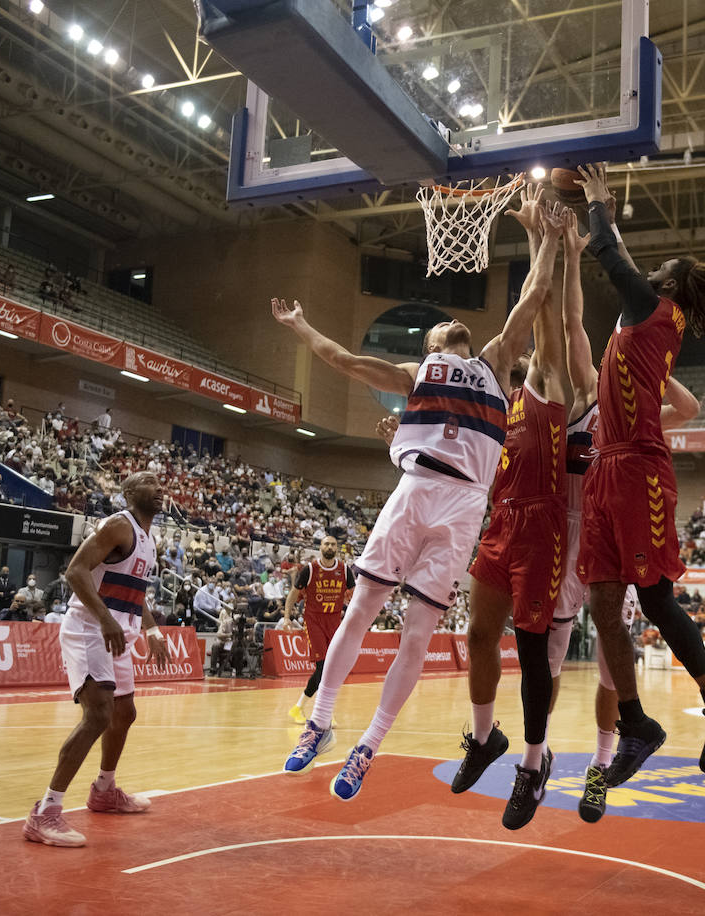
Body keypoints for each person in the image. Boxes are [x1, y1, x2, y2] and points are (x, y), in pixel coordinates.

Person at [275, 194, 559, 802]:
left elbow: (535, 295)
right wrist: (300, 326)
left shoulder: (495, 360)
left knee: (416, 633)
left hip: (465, 505)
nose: (452, 324)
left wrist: (547, 235)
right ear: (429, 344)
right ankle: (319, 723)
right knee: (361, 607)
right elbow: (343, 360)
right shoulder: (415, 373)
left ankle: (368, 746)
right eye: (440, 326)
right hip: (415, 489)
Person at [571, 162, 705, 787]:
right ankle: (636, 724)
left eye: (661, 266)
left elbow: (610, 256)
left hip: (639, 468)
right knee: (602, 604)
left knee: (654, 598)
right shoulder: (644, 316)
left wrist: (597, 202)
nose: (648, 268)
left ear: (670, 283)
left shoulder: (655, 307)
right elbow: (622, 260)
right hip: (605, 467)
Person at [449, 197, 570, 830]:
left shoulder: (548, 385)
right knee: (477, 636)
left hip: (542, 528)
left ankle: (532, 762)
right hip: (500, 522)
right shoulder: (497, 402)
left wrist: (543, 238)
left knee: (531, 652)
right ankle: (483, 736)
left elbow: (539, 302)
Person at [23, 471, 170, 848]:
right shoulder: (118, 525)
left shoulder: (148, 539)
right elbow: (75, 571)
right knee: (99, 714)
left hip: (118, 632)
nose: (159, 488)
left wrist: (152, 630)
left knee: (124, 713)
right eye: (149, 482)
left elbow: (135, 592)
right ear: (129, 492)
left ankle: (104, 790)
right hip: (90, 628)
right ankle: (45, 813)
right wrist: (105, 619)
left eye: (160, 483)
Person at [285, 536, 355, 724]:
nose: (330, 547)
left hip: (335, 622)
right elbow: (293, 594)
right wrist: (286, 617)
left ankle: (303, 709)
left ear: (337, 548)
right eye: (326, 544)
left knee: (331, 669)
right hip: (314, 621)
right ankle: (316, 710)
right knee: (323, 666)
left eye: (333, 544)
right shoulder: (309, 569)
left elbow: (355, 596)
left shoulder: (345, 570)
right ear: (320, 547)